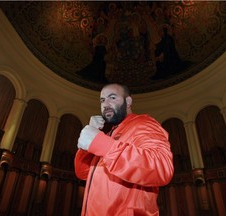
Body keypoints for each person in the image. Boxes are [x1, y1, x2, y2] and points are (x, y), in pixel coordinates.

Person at [74, 83, 174, 216]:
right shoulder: (109, 135)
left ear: (128, 101)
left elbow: (162, 168)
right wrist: (88, 145)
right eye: (102, 100)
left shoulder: (143, 123)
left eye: (112, 97)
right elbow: (83, 173)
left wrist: (99, 143)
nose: (106, 104)